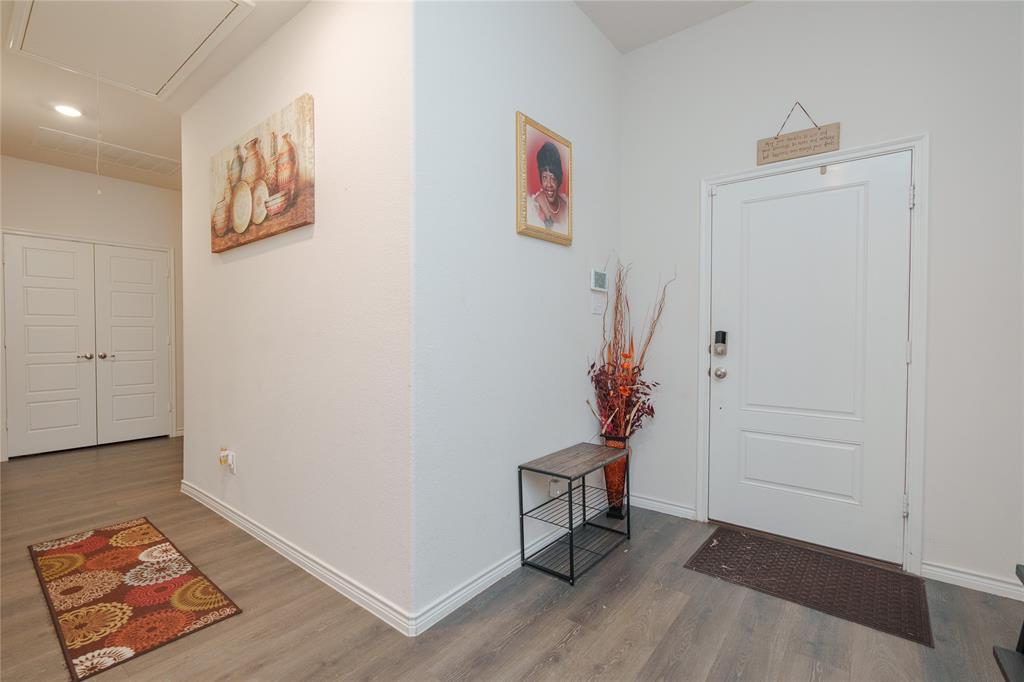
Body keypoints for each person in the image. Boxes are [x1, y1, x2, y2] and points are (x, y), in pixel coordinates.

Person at [528, 141, 569, 230]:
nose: (549, 184)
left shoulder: (566, 205)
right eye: (545, 177)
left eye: (553, 178)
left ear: (558, 179)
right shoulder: (535, 206)